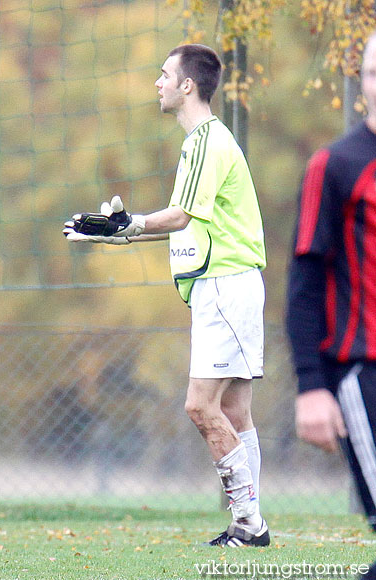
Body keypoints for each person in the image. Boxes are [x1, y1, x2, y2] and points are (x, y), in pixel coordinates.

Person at [64, 43, 268, 547]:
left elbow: (178, 218)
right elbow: (186, 219)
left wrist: (128, 223)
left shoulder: (204, 141)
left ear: (187, 86)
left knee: (201, 408)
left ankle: (249, 525)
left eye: (164, 75)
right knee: (236, 413)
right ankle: (249, 526)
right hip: (229, 285)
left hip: (224, 286)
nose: (157, 83)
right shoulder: (206, 142)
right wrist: (116, 232)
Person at [287, 33, 376, 533]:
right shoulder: (335, 165)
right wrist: (311, 386)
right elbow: (304, 282)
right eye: (372, 72)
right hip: (364, 376)